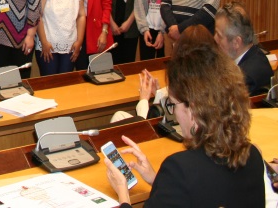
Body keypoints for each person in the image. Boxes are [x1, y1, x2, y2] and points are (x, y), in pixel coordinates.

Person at [104, 39, 265, 207]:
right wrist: (158, 181)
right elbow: (200, 194)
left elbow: (190, 186)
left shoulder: (180, 170)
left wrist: (122, 192)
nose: (173, 112)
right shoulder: (252, 156)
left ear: (193, 110)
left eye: (173, 104)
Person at [214, 1, 272, 95]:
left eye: (219, 35)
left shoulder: (245, 80)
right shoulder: (256, 54)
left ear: (236, 42)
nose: (215, 39)